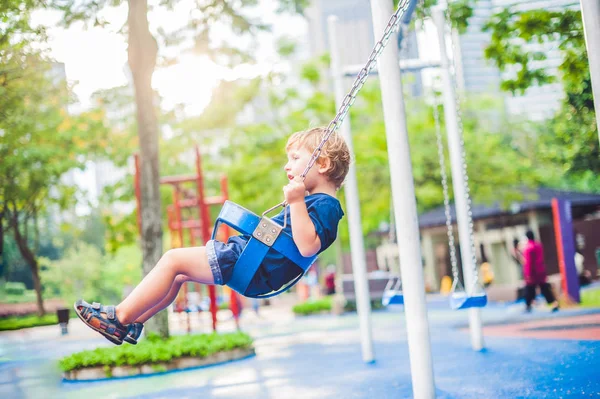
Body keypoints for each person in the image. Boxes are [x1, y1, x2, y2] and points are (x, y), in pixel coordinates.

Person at [74, 127, 351, 345]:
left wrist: (296, 201)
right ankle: (133, 323)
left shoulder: (325, 206)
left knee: (172, 261)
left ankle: (119, 316)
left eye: (295, 158)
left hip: (250, 263)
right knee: (179, 275)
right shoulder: (317, 204)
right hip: (252, 262)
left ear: (322, 163)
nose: (286, 166)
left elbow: (306, 246)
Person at [522, 230, 559, 313]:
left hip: (533, 273)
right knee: (544, 288)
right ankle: (554, 303)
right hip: (541, 271)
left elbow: (529, 262)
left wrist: (527, 274)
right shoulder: (538, 245)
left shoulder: (528, 248)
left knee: (529, 289)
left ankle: (527, 305)